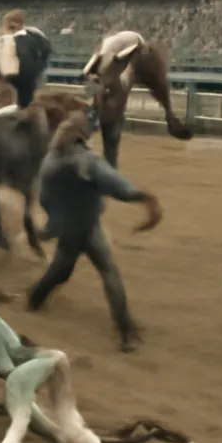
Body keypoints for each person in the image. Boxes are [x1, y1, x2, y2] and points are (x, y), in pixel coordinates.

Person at [27, 111, 161, 353]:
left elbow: (46, 199)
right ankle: (126, 333)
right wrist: (144, 198)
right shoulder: (87, 161)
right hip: (85, 226)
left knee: (64, 270)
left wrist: (52, 226)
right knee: (104, 271)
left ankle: (35, 298)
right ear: (81, 136)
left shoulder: (51, 160)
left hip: (69, 226)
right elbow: (117, 185)